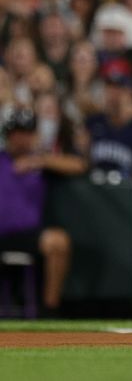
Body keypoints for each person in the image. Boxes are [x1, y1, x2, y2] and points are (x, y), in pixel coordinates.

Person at [0, 107, 71, 313]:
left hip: (27, 234)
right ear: (8, 134)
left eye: (27, 132)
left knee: (58, 241)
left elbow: (80, 165)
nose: (23, 138)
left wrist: (39, 161)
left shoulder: (41, 163)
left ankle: (49, 311)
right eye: (18, 132)